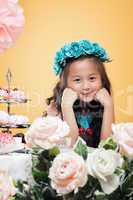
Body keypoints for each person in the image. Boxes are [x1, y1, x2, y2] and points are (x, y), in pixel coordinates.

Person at [45, 39, 115, 147]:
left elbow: (108, 149)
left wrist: (109, 106)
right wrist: (66, 106)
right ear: (65, 84)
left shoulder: (103, 107)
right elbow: (70, 149)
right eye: (77, 80)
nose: (86, 87)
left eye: (92, 78)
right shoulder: (55, 110)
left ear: (102, 80)